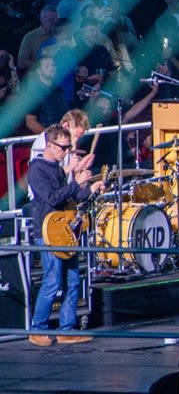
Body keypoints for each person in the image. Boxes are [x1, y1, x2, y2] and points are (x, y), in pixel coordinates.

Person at [27, 123, 104, 346]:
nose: (67, 151)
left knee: (72, 280)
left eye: (68, 146)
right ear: (50, 145)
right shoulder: (37, 170)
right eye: (63, 147)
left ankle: (66, 328)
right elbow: (52, 198)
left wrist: (90, 189)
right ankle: (37, 328)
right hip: (48, 231)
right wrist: (75, 185)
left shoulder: (58, 169)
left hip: (65, 229)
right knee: (52, 280)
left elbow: (71, 197)